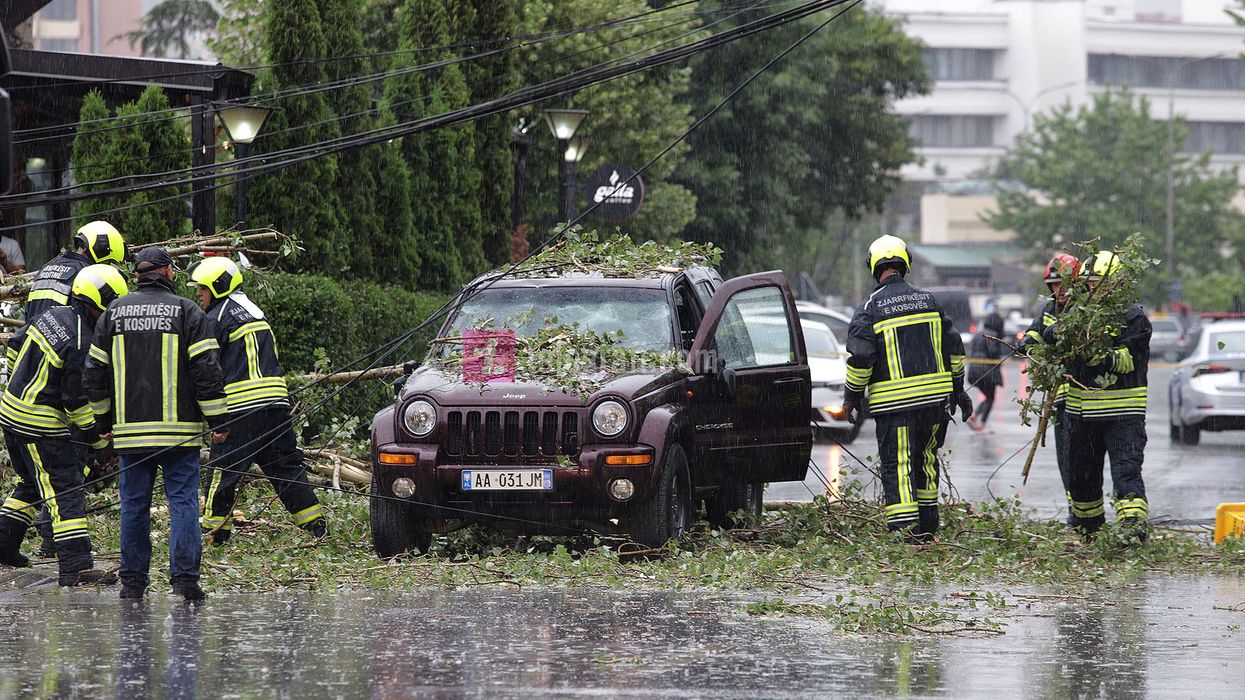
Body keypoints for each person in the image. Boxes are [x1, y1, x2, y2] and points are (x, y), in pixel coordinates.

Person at [83, 247, 229, 602]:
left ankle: (132, 583)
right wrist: (219, 420)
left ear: (136, 275)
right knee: (183, 504)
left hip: (131, 434)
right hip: (180, 435)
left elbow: (93, 373)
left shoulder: (113, 313)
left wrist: (103, 422)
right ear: (166, 272)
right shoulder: (187, 311)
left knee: (133, 505)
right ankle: (184, 582)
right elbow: (206, 372)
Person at [0, 265, 129, 585]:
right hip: (40, 423)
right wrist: (100, 443)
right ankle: (76, 566)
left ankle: (3, 545)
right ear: (99, 303)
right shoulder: (82, 339)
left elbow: (15, 343)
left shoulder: (53, 315)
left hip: (12, 412)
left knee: (31, 482)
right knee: (65, 489)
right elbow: (76, 402)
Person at [840, 235, 972, 541]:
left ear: (874, 267)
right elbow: (954, 347)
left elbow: (861, 358)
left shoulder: (870, 308)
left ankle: (904, 535)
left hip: (894, 408)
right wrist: (959, 389)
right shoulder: (929, 300)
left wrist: (852, 397)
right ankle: (927, 529)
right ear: (906, 263)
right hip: (934, 406)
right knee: (926, 462)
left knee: (898, 467)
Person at [188, 257, 326, 545]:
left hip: (241, 409)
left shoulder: (215, 319)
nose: (199, 293)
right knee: (286, 467)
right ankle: (316, 526)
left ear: (218, 286)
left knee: (222, 470)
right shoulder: (254, 312)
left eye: (203, 288)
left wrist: (211, 413)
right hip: (276, 408)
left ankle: (213, 533)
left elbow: (206, 368)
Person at [18, 219, 126, 559]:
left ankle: (14, 538)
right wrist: (96, 430)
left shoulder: (50, 268)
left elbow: (28, 328)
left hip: (31, 371)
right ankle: (58, 541)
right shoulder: (83, 282)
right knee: (67, 471)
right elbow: (78, 368)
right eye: (109, 264)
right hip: (60, 380)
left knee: (37, 475)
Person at [1060, 251, 1152, 539]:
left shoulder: (1133, 317)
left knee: (1126, 474)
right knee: (1081, 478)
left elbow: (1126, 362)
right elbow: (1050, 334)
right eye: (1088, 282)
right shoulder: (1076, 315)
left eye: (1098, 282)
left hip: (1123, 415)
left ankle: (1133, 531)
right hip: (1082, 414)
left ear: (1115, 284)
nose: (1091, 288)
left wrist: (1096, 353)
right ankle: (1088, 531)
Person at [1021, 253, 1080, 524]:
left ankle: (1088, 518)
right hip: (1060, 401)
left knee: (1084, 465)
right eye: (1054, 285)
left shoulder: (1086, 311)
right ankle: (1074, 514)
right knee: (1066, 462)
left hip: (1085, 399)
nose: (1060, 291)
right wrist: (1029, 342)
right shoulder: (1049, 309)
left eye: (1064, 284)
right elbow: (1035, 331)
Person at [25, 220, 125, 318]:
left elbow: (29, 310)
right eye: (107, 262)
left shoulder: (47, 267)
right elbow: (83, 319)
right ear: (102, 249)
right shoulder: (86, 275)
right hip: (65, 333)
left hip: (33, 331)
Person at [966, 312, 1006, 430]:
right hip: (987, 372)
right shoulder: (993, 336)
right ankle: (981, 423)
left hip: (973, 371)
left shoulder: (977, 335)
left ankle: (975, 416)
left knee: (987, 396)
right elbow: (993, 352)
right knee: (990, 398)